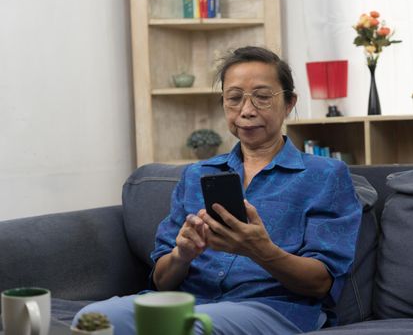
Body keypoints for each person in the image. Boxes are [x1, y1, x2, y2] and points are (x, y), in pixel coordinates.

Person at [73, 46, 362, 335]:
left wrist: (262, 251)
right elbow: (162, 280)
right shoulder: (198, 175)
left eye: (262, 97)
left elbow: (321, 283)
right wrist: (182, 255)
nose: (247, 111)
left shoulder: (325, 176)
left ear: (289, 103)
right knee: (92, 318)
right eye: (234, 98)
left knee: (189, 328)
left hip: (271, 308)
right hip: (189, 302)